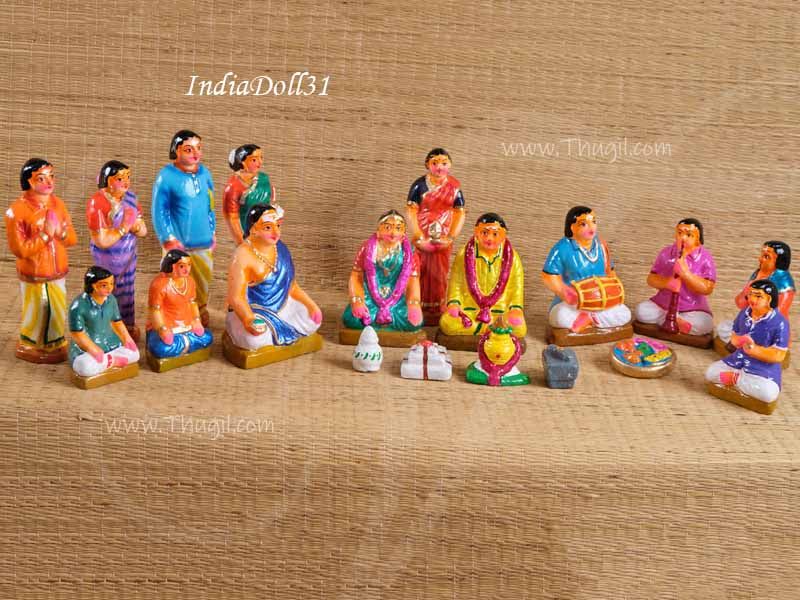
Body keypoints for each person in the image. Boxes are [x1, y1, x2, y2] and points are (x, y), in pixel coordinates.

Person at [5, 158, 78, 362]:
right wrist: (45, 235)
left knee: (57, 307)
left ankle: (55, 343)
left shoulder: (58, 205)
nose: (49, 182)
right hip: (34, 272)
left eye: (51, 176)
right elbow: (20, 250)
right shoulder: (16, 211)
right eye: (41, 178)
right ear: (28, 181)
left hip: (57, 269)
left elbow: (72, 238)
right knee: (36, 309)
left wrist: (61, 233)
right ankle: (30, 344)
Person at [226, 204, 322, 350]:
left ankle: (278, 332)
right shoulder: (242, 256)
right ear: (253, 229)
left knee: (312, 321)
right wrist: (248, 319)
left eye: (278, 225)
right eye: (268, 227)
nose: (276, 232)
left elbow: (292, 287)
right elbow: (236, 298)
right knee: (254, 340)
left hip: (283, 307)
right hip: (253, 310)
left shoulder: (281, 249)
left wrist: (311, 305)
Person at [151, 129, 215, 325]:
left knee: (203, 279)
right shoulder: (166, 176)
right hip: (178, 245)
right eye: (188, 149)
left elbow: (210, 206)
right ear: (176, 151)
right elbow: (159, 210)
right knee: (174, 281)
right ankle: (174, 313)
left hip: (203, 241)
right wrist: (168, 237)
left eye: (198, 148)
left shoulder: (205, 174)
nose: (195, 153)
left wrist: (212, 230)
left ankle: (199, 309)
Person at [542, 206, 631, 332]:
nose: (591, 227)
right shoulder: (561, 248)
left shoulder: (601, 245)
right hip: (573, 304)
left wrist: (614, 290)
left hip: (601, 301)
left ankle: (590, 318)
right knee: (559, 317)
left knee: (624, 313)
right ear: (572, 227)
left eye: (593, 222)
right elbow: (548, 276)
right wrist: (566, 292)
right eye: (584, 224)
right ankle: (591, 319)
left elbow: (610, 272)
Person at [87, 160, 147, 339]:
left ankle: (126, 327)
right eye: (120, 179)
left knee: (127, 294)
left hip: (128, 259)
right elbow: (102, 240)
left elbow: (143, 231)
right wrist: (124, 228)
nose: (126, 182)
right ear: (106, 181)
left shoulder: (131, 199)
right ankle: (105, 330)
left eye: (128, 177)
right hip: (107, 261)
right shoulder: (98, 202)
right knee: (106, 292)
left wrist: (136, 226)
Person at [439, 213, 526, 338]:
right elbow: (456, 284)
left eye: (495, 234)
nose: (489, 238)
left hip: (499, 312)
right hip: (469, 311)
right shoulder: (464, 255)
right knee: (448, 323)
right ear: (476, 233)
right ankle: (494, 331)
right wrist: (454, 304)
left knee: (519, 327)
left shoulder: (512, 258)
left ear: (503, 235)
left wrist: (515, 309)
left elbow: (516, 289)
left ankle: (483, 329)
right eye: (484, 233)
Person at [406, 148, 465, 324]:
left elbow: (459, 212)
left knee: (440, 270)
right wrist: (417, 234)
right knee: (420, 268)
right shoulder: (419, 185)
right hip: (422, 230)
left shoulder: (454, 186)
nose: (439, 167)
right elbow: (411, 210)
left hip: (444, 233)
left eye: (444, 163)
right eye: (435, 163)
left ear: (450, 165)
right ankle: (417, 304)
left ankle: (438, 306)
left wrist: (451, 236)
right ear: (427, 165)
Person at [705, 279, 788, 404]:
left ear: (769, 300)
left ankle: (737, 380)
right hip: (738, 360)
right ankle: (740, 379)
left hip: (762, 369)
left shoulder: (780, 323)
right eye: (750, 294)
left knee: (768, 393)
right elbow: (734, 335)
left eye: (758, 296)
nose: (752, 299)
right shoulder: (745, 313)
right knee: (710, 373)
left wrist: (755, 350)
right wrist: (738, 341)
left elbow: (779, 355)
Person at [342, 210, 423, 331]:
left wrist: (413, 303)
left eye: (398, 228)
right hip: (370, 297)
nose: (393, 233)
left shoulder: (409, 253)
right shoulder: (367, 248)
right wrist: (357, 300)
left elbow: (413, 280)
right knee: (352, 318)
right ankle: (376, 326)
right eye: (388, 227)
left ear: (403, 233)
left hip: (397, 300)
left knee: (413, 322)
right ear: (378, 231)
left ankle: (379, 327)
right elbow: (356, 276)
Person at [634, 219, 716, 335]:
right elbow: (651, 279)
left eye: (689, 235)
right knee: (641, 311)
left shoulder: (705, 257)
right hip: (664, 304)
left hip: (692, 308)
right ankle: (674, 321)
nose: (683, 238)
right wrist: (667, 282)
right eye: (679, 233)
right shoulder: (666, 253)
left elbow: (708, 288)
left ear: (698, 239)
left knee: (705, 324)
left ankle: (673, 321)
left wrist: (686, 274)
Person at [716, 241, 794, 344]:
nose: (760, 259)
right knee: (724, 328)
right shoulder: (758, 274)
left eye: (766, 256)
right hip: (748, 323)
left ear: (779, 261)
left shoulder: (784, 284)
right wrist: (754, 282)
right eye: (762, 255)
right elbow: (740, 303)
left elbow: (778, 314)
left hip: (769, 329)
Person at [68, 266, 139, 377]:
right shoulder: (78, 306)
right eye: (104, 285)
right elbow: (77, 333)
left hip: (111, 343)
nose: (110, 288)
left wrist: (127, 339)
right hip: (87, 349)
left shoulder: (111, 300)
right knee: (84, 367)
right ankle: (112, 361)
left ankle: (108, 361)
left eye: (111, 283)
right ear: (94, 286)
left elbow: (117, 322)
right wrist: (93, 349)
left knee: (135, 354)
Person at [146, 249, 213, 359]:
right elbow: (155, 310)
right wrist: (162, 329)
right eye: (182, 266)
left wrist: (196, 320)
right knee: (160, 348)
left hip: (187, 325)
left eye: (189, 265)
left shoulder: (190, 281)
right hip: (167, 325)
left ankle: (181, 345)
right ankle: (185, 344)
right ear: (172, 266)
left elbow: (192, 303)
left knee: (207, 337)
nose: (187, 269)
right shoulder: (159, 284)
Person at [222, 144, 275, 245]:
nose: (260, 162)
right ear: (243, 162)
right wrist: (241, 242)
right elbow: (232, 218)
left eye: (261, 158)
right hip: (247, 233)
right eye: (254, 160)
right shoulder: (233, 187)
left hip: (266, 230)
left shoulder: (264, 178)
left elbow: (271, 200)